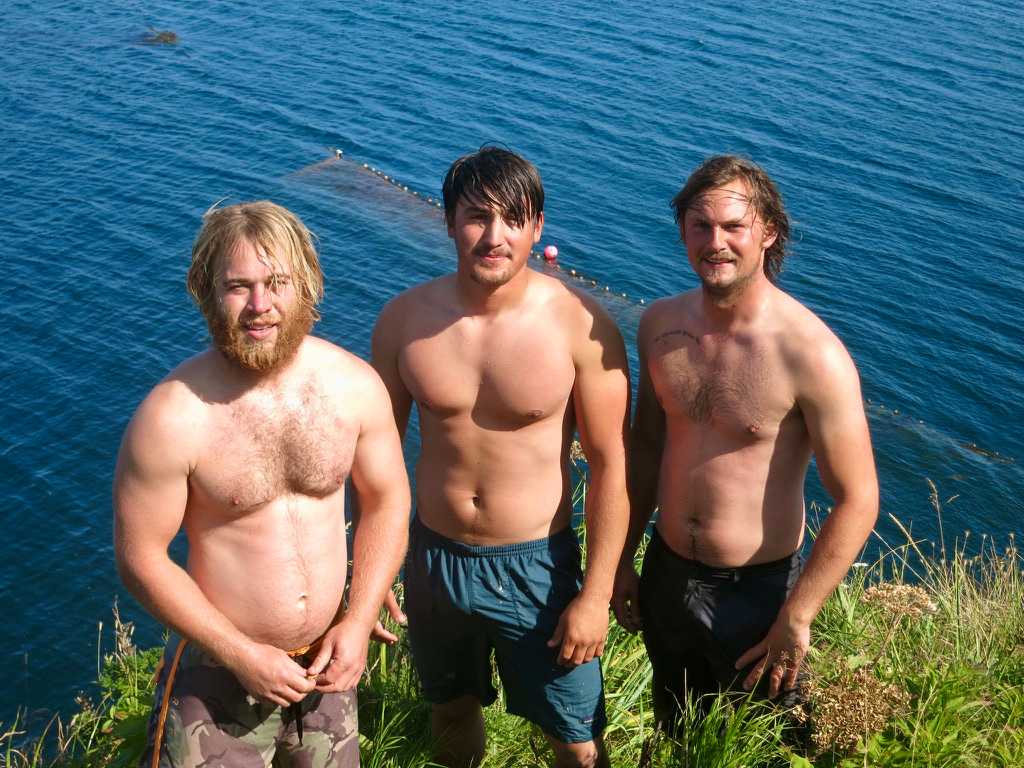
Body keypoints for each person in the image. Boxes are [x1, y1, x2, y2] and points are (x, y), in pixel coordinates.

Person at [114, 201, 410, 768]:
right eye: (237, 286)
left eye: (277, 283)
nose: (260, 306)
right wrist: (241, 652)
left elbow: (388, 500)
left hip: (328, 666)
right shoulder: (173, 416)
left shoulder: (353, 388)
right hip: (217, 678)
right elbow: (140, 558)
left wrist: (356, 618)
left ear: (307, 284)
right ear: (205, 290)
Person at [371, 147, 630, 768]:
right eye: (476, 217)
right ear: (448, 221)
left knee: (574, 736)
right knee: (450, 709)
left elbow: (611, 465)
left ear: (537, 227)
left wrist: (595, 596)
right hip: (435, 558)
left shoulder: (581, 328)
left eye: (513, 219)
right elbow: (371, 455)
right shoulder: (405, 321)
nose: (494, 236)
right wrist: (372, 569)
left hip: (537, 565)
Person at [612, 155, 879, 730]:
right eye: (700, 226)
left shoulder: (811, 354)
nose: (716, 243)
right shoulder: (659, 326)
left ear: (768, 232)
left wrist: (798, 614)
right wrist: (620, 560)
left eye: (734, 227)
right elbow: (648, 451)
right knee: (675, 730)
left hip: (756, 592)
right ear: (682, 229)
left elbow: (858, 498)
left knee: (756, 745)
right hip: (666, 572)